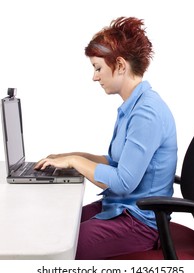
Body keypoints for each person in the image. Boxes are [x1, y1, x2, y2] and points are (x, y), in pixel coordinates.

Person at [35, 16, 177, 259]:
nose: (95, 77)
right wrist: (71, 156)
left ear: (120, 65)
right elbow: (115, 163)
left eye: (98, 68)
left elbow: (123, 182)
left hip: (138, 224)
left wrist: (76, 163)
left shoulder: (146, 113)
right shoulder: (133, 106)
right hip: (119, 209)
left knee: (57, 252)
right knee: (53, 231)